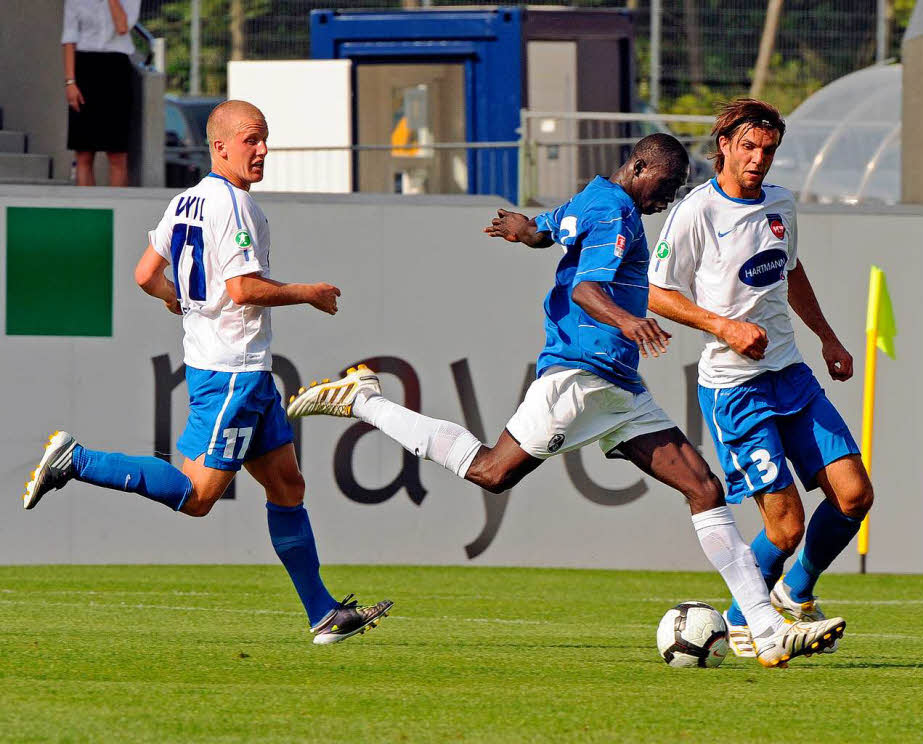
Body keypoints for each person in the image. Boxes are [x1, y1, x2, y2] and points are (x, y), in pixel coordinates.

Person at [286, 133, 846, 668]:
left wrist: (520, 228)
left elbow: (545, 231)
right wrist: (630, 321)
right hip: (581, 375)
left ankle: (767, 633)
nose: (669, 198)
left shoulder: (592, 196)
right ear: (640, 169)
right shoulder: (616, 213)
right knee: (490, 471)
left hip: (619, 387)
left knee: (703, 488)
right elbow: (584, 287)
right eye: (667, 185)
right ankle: (365, 402)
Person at [22, 100, 393, 643]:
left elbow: (146, 274)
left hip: (247, 374)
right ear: (219, 146)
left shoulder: (185, 202)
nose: (262, 149)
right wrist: (307, 293)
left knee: (288, 486)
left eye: (265, 138)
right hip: (232, 375)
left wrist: (182, 300)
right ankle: (75, 459)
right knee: (198, 498)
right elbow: (243, 289)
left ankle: (323, 614)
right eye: (251, 140)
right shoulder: (233, 205)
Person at [646, 99, 874, 658]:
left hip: (791, 375)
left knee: (854, 496)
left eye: (767, 150)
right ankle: (741, 620)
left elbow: (790, 271)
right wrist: (722, 326)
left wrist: (828, 337)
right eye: (748, 146)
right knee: (786, 527)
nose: (758, 159)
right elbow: (654, 291)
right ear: (723, 143)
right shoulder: (697, 211)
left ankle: (795, 593)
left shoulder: (781, 204)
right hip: (734, 388)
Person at [61, 0, 139, 186]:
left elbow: (122, 27)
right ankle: (85, 210)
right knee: (84, 151)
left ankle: (120, 210)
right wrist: (70, 82)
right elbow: (69, 38)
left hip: (116, 69)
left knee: (117, 152)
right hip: (85, 68)